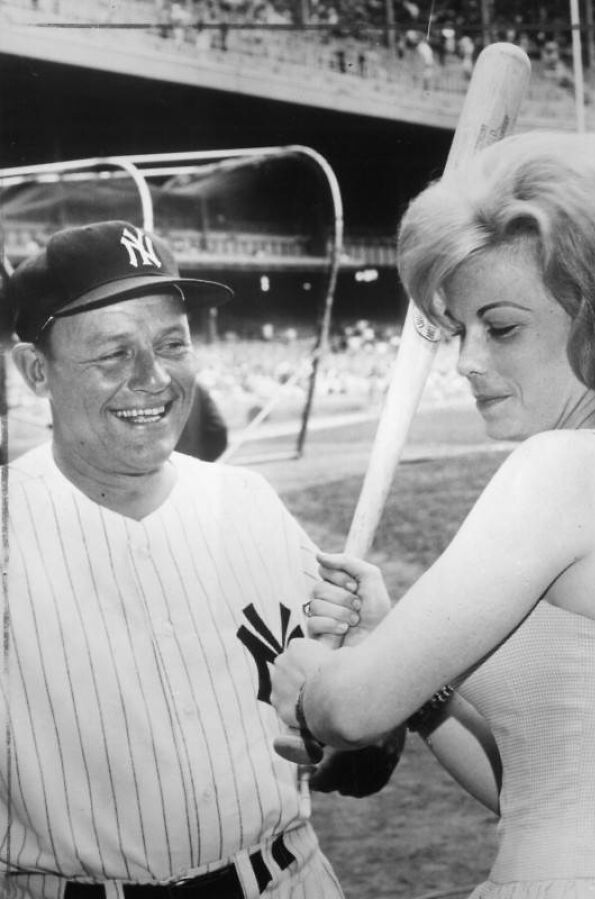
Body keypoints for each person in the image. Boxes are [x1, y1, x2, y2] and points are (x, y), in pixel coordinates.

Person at [270, 132, 595, 897]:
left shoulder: (562, 468)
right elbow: (525, 789)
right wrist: (414, 668)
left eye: (500, 327)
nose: (467, 360)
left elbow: (355, 707)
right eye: (457, 328)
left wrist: (309, 680)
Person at [1, 220, 402, 899]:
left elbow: (356, 766)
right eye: (112, 353)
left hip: (284, 879)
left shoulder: (249, 501)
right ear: (36, 371)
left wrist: (362, 701)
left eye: (171, 343)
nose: (153, 378)